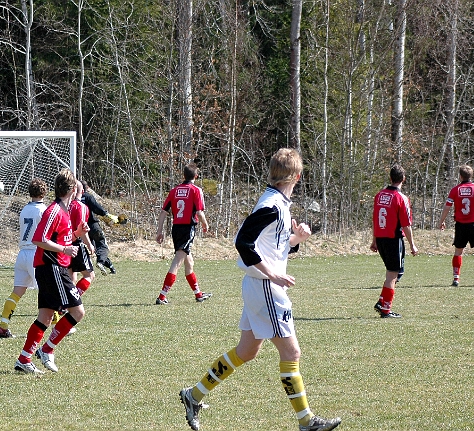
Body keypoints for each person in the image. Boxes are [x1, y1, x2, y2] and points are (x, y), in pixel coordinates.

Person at [179, 148, 341, 431]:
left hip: (259, 285)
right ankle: (307, 422)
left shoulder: (278, 202)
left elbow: (272, 245)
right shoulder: (272, 205)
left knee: (247, 351)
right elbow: (243, 243)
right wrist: (272, 274)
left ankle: (193, 395)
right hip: (265, 287)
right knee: (291, 354)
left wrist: (295, 239)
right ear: (298, 176)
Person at [14, 168, 89, 374]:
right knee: (78, 311)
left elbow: (59, 240)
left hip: (52, 267)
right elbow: (38, 238)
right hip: (51, 267)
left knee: (45, 317)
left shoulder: (63, 211)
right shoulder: (54, 210)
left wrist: (76, 234)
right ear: (73, 189)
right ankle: (46, 350)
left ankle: (24, 359)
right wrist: (65, 249)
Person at [0, 178, 47, 338]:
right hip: (35, 253)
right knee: (46, 292)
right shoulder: (44, 210)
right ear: (44, 192)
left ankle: (3, 326)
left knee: (17, 292)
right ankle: (59, 326)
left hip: (22, 254)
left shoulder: (24, 209)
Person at [154, 163, 211, 304]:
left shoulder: (174, 191)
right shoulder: (196, 190)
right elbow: (199, 212)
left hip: (176, 229)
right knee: (178, 262)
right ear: (196, 176)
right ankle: (162, 296)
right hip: (188, 229)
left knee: (189, 262)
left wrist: (159, 231)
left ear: (183, 176)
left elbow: (163, 212)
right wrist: (205, 224)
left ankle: (198, 294)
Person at [370, 164, 418, 318]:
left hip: (381, 239)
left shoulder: (379, 195)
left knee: (394, 273)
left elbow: (375, 219)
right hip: (393, 239)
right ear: (403, 179)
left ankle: (382, 302)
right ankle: (385, 309)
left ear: (390, 178)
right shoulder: (401, 198)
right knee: (393, 274)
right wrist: (412, 244)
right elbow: (406, 224)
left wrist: (374, 239)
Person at [437, 165, 474, 286]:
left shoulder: (455, 190)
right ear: (471, 175)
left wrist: (441, 220)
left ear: (460, 176)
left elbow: (447, 207)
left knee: (458, 251)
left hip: (460, 225)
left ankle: (456, 279)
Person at [80, 181, 118, 274]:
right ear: (86, 188)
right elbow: (97, 208)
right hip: (93, 226)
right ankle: (100, 262)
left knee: (97, 248)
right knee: (103, 246)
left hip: (82, 229)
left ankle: (111, 267)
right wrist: (106, 214)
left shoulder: (72, 200)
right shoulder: (88, 197)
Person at [69, 181, 96, 296]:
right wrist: (89, 244)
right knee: (89, 275)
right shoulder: (81, 207)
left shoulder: (64, 205)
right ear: (83, 192)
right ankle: (71, 302)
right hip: (76, 244)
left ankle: (61, 307)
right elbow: (82, 228)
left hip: (63, 244)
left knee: (71, 279)